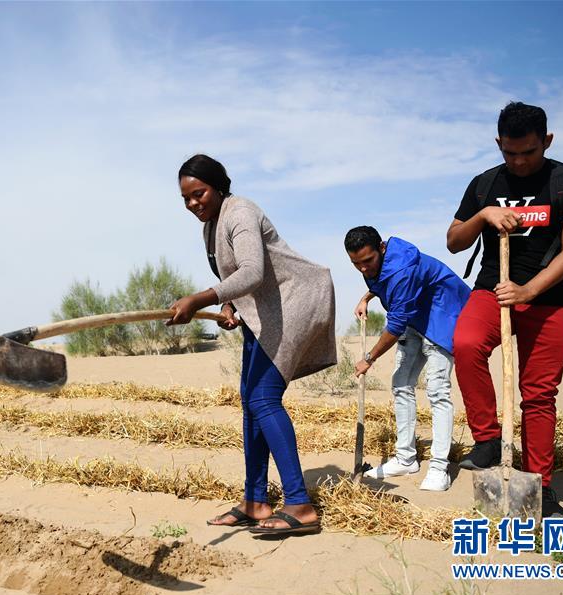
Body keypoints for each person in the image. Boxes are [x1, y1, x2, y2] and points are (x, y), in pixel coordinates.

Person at [167, 154, 337, 536]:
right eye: (187, 199)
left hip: (293, 303)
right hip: (263, 313)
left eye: (200, 193)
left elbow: (253, 271)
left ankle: (300, 504)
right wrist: (228, 305)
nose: (194, 203)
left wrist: (200, 299)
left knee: (263, 399)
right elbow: (236, 278)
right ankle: (256, 501)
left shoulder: (240, 212)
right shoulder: (210, 226)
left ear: (219, 186)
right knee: (251, 402)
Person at [447, 102, 563, 517]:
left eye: (528, 152)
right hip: (492, 291)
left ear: (546, 141)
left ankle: (541, 487)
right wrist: (484, 214)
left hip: (548, 300)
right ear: (499, 144)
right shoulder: (484, 183)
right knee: (466, 343)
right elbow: (454, 240)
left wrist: (529, 290)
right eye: (510, 152)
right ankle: (489, 439)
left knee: (539, 395)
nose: (519, 161)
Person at [344, 226, 470, 491]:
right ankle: (405, 458)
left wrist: (369, 357)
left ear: (381, 247)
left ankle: (439, 466)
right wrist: (367, 296)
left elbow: (396, 323)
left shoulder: (403, 270)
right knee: (401, 384)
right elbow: (381, 281)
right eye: (356, 264)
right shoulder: (377, 265)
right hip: (415, 317)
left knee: (437, 391)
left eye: (368, 261)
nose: (364, 269)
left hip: (442, 317)